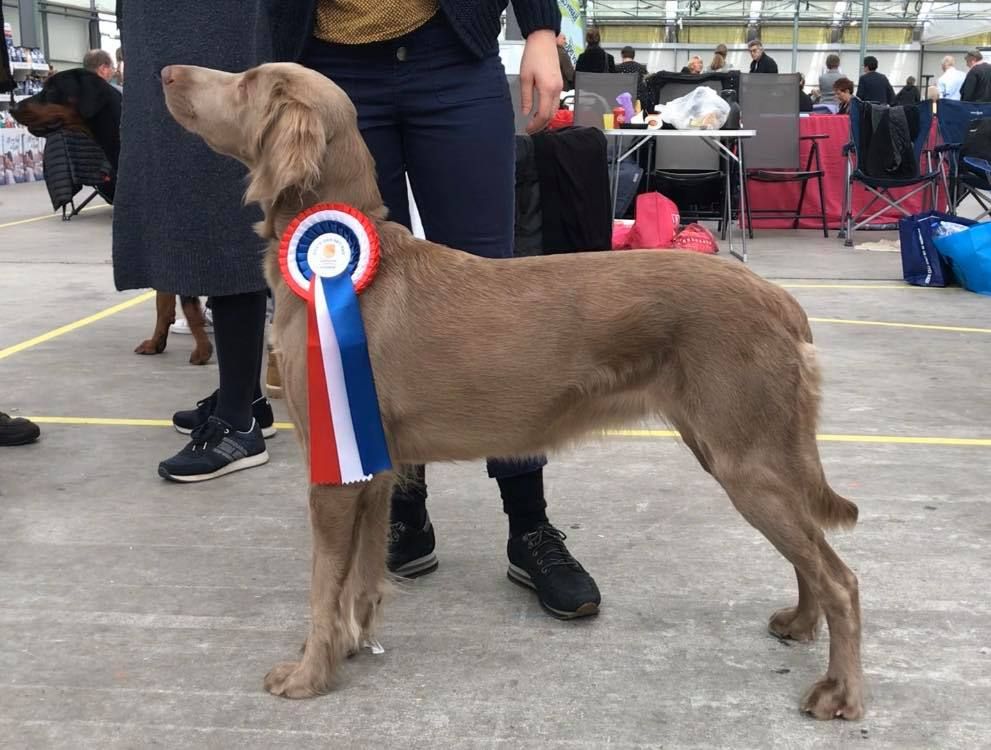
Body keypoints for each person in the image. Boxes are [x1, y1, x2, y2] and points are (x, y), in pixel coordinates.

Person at [280, 2, 601, 619]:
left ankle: (528, 526)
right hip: (329, 68)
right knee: (354, 302)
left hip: (451, 58)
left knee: (494, 311)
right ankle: (406, 514)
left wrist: (539, 28)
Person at [113, 1, 277, 483]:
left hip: (209, 19)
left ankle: (238, 425)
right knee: (194, 197)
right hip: (162, 22)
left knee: (217, 195)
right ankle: (245, 397)